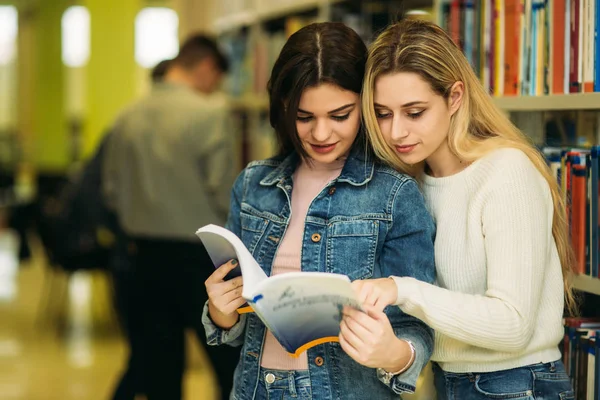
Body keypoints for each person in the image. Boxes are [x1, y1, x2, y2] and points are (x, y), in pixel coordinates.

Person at [202, 22, 436, 400]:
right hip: (256, 390)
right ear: (282, 108)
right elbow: (234, 330)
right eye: (304, 117)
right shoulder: (253, 185)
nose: (321, 134)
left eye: (340, 115)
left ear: (364, 105)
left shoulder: (394, 195)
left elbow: (420, 327)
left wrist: (394, 355)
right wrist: (220, 312)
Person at [354, 18, 576, 399]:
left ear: (455, 97)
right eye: (383, 113)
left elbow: (514, 324)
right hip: (448, 381)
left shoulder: (507, 172)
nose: (395, 132)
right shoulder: (408, 185)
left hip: (518, 384)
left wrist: (401, 290)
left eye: (414, 111)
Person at [103, 33, 240, 400]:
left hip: (141, 257)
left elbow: (111, 190)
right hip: (200, 258)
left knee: (160, 369)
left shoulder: (126, 115)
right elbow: (224, 192)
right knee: (227, 360)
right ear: (207, 68)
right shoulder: (211, 113)